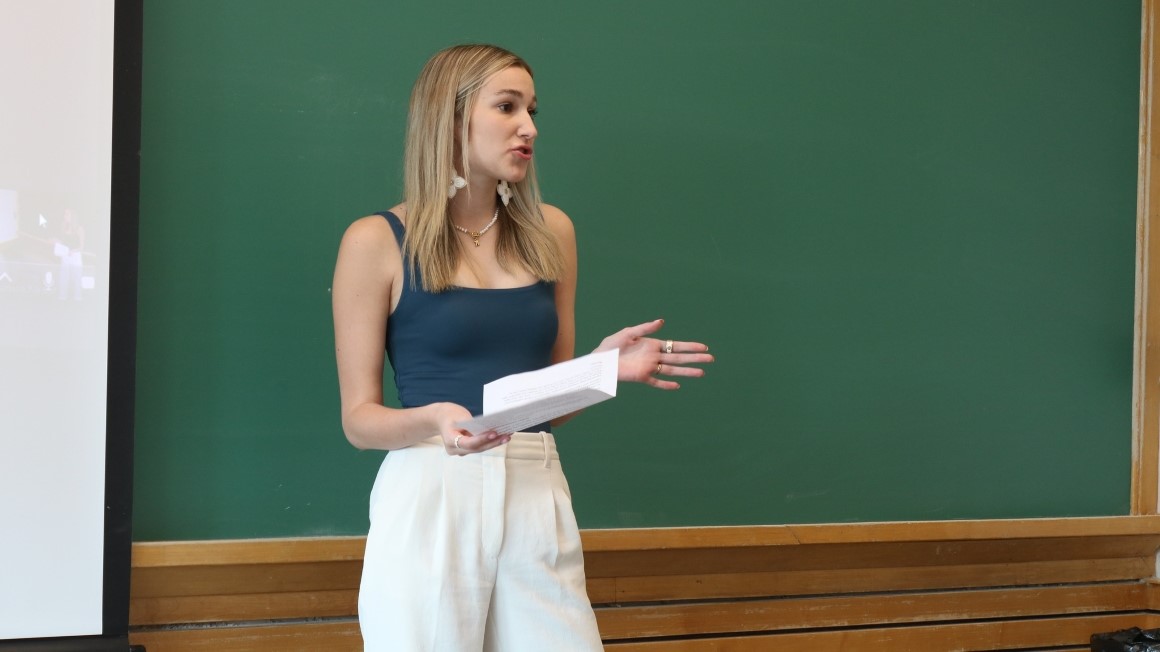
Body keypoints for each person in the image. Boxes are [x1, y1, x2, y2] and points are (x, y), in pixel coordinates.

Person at [332, 44, 713, 651]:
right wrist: (435, 420)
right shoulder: (375, 241)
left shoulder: (550, 233)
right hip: (431, 490)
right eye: (506, 107)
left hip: (536, 486)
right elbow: (359, 421)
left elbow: (547, 403)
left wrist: (602, 369)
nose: (528, 127)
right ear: (450, 118)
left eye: (532, 110)